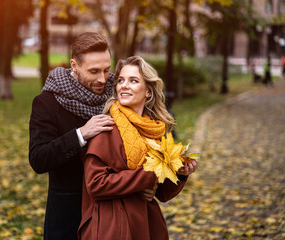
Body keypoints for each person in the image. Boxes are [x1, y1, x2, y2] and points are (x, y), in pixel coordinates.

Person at [78, 56, 198, 240]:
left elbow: (162, 193)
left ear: (148, 92)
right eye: (121, 80)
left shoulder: (155, 131)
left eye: (133, 81)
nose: (124, 86)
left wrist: (181, 173)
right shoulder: (106, 128)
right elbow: (96, 184)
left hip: (145, 223)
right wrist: (150, 173)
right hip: (112, 226)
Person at [28, 32, 115, 240]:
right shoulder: (47, 102)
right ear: (74, 66)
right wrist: (81, 134)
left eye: (106, 69)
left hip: (113, 210)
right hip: (69, 217)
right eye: (94, 71)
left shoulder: (117, 94)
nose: (102, 79)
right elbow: (39, 159)